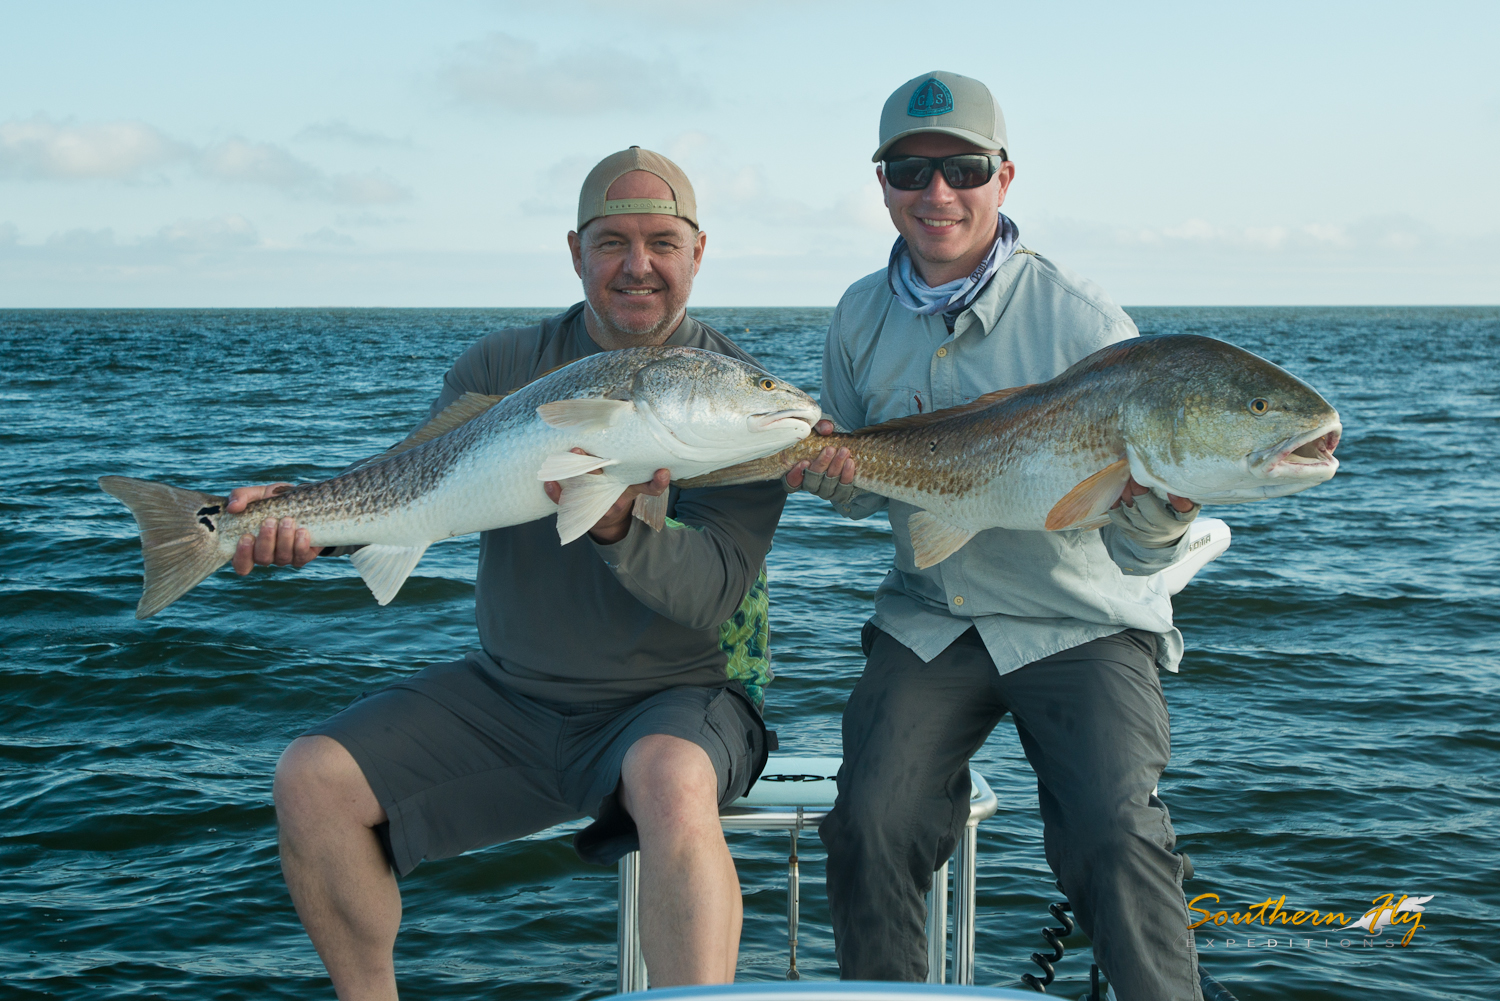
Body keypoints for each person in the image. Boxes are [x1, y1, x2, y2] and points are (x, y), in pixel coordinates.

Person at [231, 148, 786, 997]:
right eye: (612, 242)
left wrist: (617, 522)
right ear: (575, 251)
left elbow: (712, 592)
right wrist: (307, 520)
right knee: (312, 778)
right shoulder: (498, 366)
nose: (639, 266)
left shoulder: (737, 398)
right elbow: (420, 488)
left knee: (670, 781)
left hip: (681, 695)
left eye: (664, 243)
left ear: (699, 252)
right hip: (513, 694)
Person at [786, 72, 1205, 1000]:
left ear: (1004, 177)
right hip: (933, 614)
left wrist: (1166, 510)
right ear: (883, 183)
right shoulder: (858, 315)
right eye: (910, 170)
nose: (937, 194)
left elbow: (1137, 557)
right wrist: (826, 477)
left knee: (1113, 832)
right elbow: (867, 494)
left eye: (963, 168)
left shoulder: (1085, 324)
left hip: (1078, 618)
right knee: (869, 823)